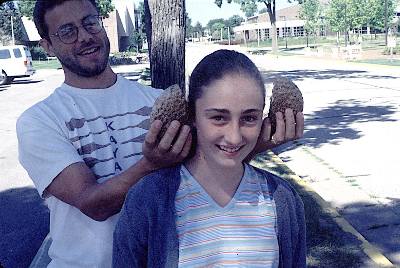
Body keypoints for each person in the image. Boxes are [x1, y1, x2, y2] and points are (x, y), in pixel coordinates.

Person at [17, 1, 303, 267]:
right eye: (67, 31)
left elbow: (208, 167)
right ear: (48, 45)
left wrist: (259, 141)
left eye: (90, 22)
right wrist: (150, 165)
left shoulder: (161, 101)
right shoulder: (40, 120)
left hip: (169, 255)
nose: (84, 36)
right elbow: (94, 204)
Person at [113, 49, 306, 267]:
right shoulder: (148, 198)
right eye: (218, 117)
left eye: (249, 118)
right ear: (192, 116)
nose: (234, 137)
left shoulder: (282, 199)